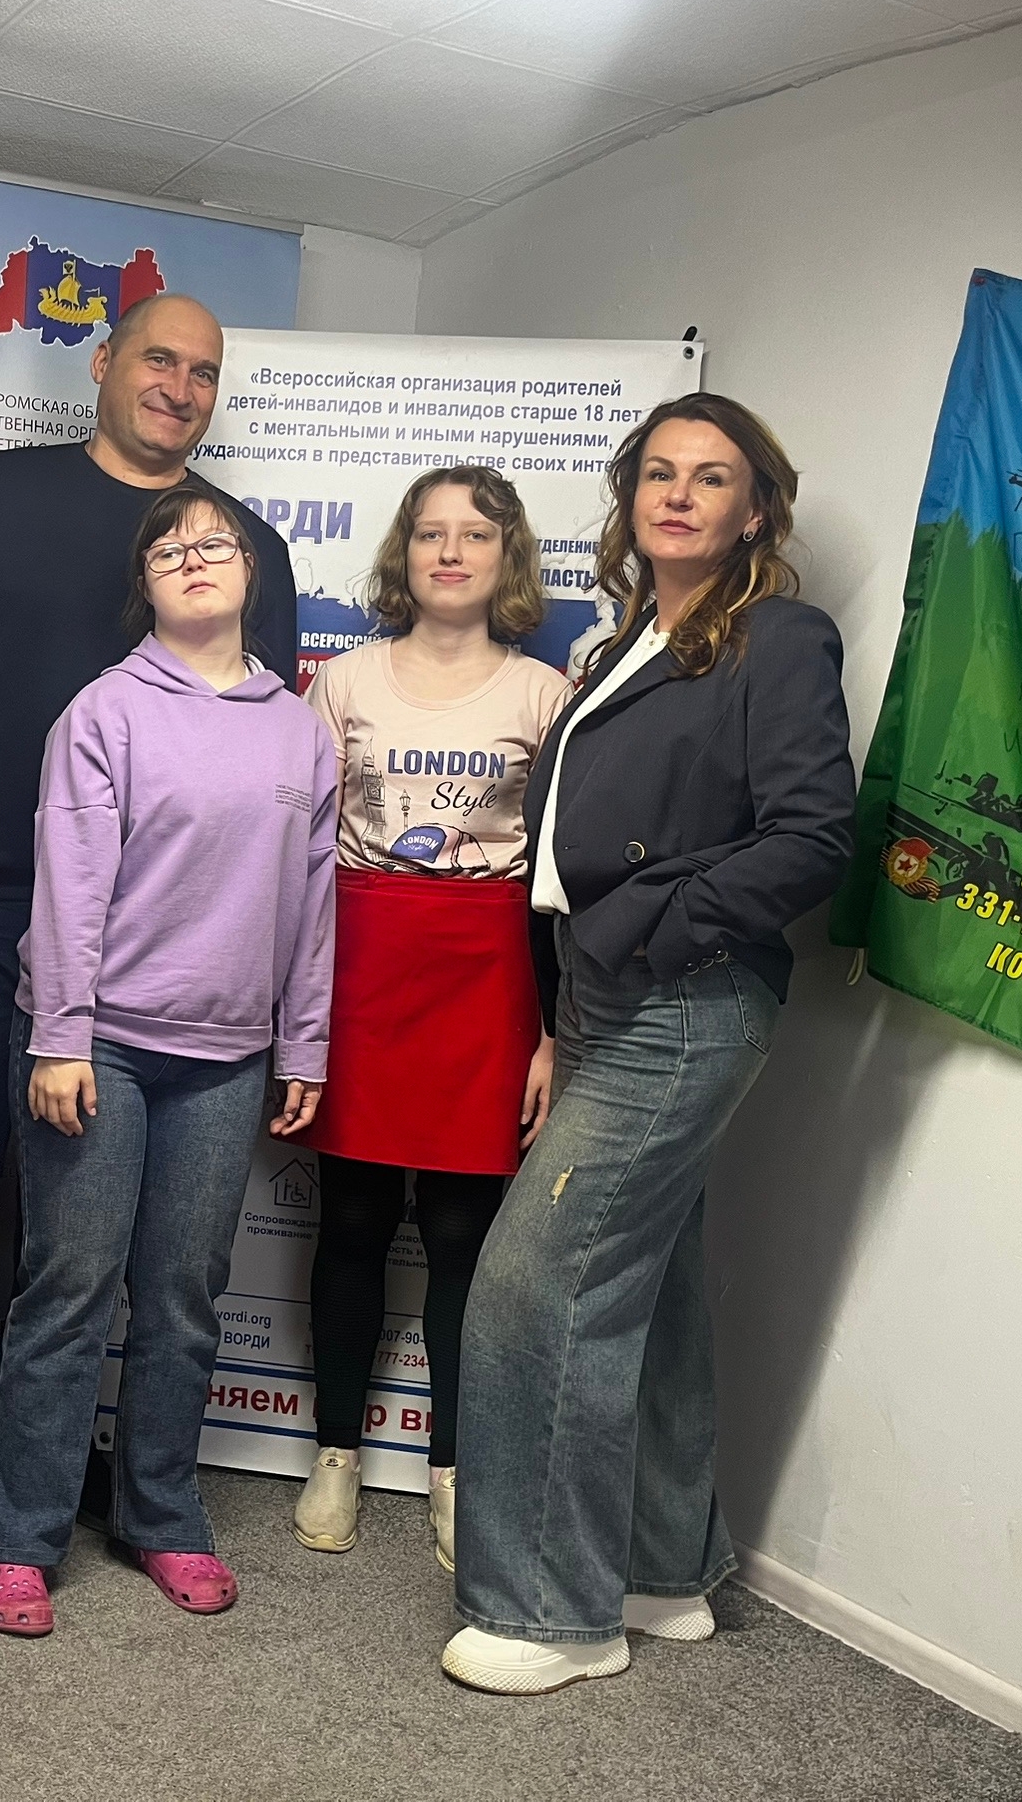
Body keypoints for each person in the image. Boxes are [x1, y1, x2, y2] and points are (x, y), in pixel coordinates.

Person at [440, 394, 854, 1696]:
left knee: (536, 1285)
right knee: (651, 1284)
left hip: (685, 1001)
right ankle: (662, 1570)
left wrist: (660, 930)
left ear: (754, 511)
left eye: (711, 477)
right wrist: (568, 1002)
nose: (678, 495)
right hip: (603, 1001)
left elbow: (811, 837)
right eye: (659, 473)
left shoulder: (778, 638)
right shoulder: (625, 640)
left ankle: (553, 1615)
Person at [0, 293, 301, 1543]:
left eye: (203, 372)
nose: (179, 385)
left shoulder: (238, 544)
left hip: (155, 931)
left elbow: (259, 736)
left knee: (122, 1231)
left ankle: (78, 1455)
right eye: (158, 359)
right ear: (103, 362)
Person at [0, 486, 335, 1639]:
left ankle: (161, 1515)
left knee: (182, 1298)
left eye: (214, 542)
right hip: (103, 1048)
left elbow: (313, 906)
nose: (192, 558)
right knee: (69, 1291)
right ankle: (20, 1539)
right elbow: (69, 885)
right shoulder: (105, 712)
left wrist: (304, 1041)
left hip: (226, 1057)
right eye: (168, 548)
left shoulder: (299, 730)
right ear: (146, 582)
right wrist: (60, 1034)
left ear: (251, 573)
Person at [291, 467, 571, 1564]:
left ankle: (453, 1466)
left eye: (475, 535)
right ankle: (334, 1452)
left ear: (508, 558)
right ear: (402, 555)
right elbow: (299, 848)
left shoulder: (544, 695)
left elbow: (562, 878)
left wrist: (551, 1030)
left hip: (490, 970)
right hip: (363, 962)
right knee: (353, 1219)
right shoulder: (342, 683)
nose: (450, 553)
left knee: (465, 1237)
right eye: (430, 534)